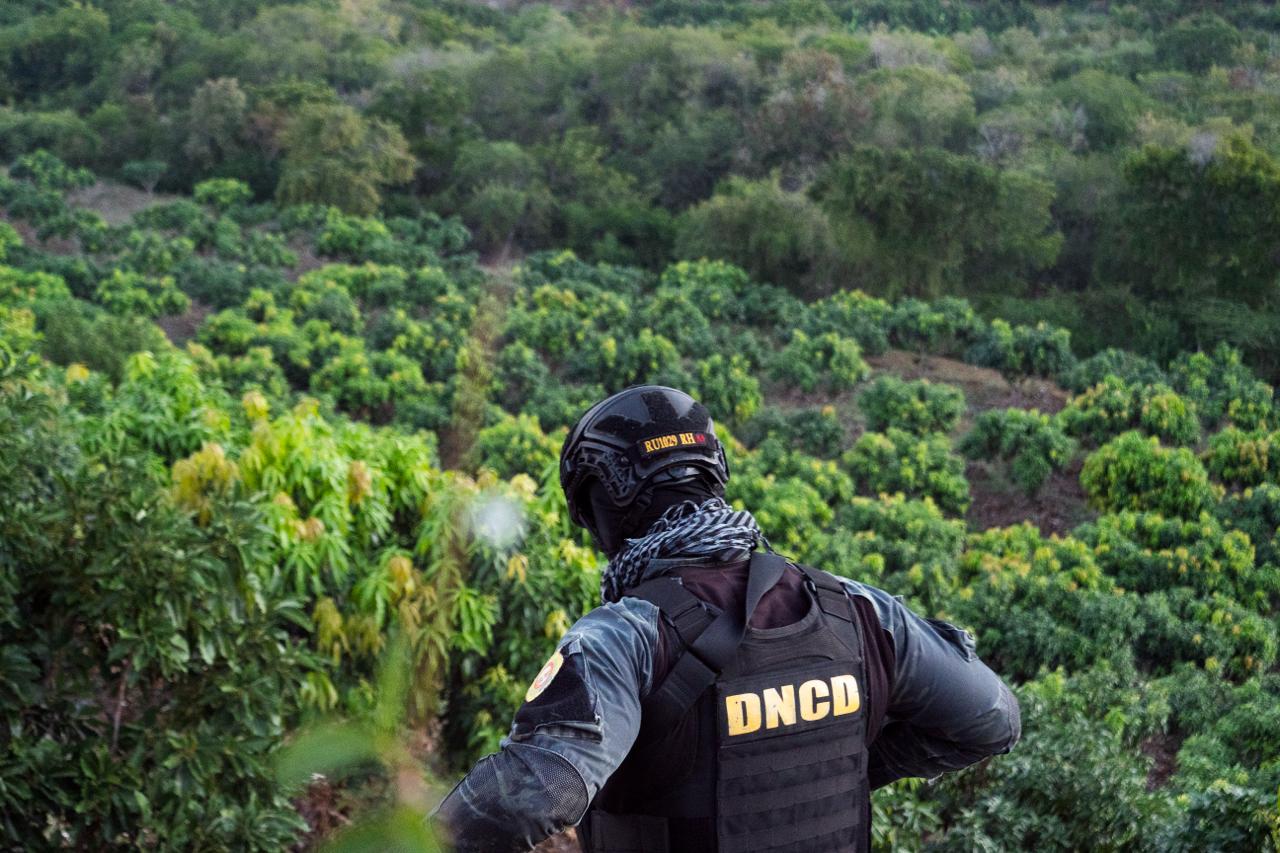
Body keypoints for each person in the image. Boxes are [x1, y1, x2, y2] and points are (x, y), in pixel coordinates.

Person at [435, 386, 1021, 852]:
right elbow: (993, 720)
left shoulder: (622, 637)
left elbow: (537, 793)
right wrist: (849, 769)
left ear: (605, 504)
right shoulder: (857, 610)